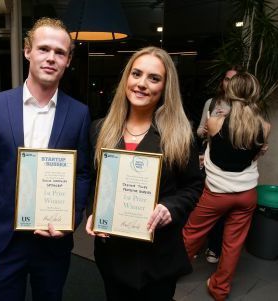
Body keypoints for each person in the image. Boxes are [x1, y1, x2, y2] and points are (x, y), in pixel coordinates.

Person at [0, 17, 90, 301]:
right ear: (27, 51)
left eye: (60, 52)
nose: (51, 58)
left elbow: (83, 174)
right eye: (43, 49)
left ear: (68, 60)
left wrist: (70, 218)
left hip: (52, 240)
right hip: (3, 239)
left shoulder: (79, 113)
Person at [85, 46, 204, 301]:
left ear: (165, 87)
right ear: (126, 78)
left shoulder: (180, 135)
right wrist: (93, 212)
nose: (141, 84)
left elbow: (193, 186)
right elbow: (93, 181)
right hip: (113, 255)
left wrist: (170, 207)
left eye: (154, 78)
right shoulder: (100, 129)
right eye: (136, 74)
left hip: (158, 257)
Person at [183, 72, 270, 301]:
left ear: (230, 92)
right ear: (254, 93)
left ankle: (169, 272)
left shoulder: (215, 122)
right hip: (247, 195)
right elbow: (252, 155)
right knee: (233, 244)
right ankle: (220, 289)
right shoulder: (264, 126)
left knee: (191, 233)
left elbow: (219, 149)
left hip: (216, 193)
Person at [196, 66, 243, 264]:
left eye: (233, 80)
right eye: (226, 79)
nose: (228, 83)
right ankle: (196, 244)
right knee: (200, 205)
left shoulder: (243, 107)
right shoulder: (211, 102)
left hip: (229, 167)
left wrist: (225, 123)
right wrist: (207, 128)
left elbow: (244, 141)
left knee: (222, 209)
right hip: (208, 161)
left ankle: (214, 246)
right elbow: (199, 132)